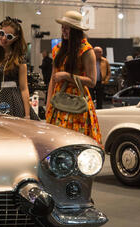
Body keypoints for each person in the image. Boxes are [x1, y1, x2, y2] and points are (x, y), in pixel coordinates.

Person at [45, 10, 101, 145]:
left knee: (76, 142)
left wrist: (67, 76)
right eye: (62, 27)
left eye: (67, 28)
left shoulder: (86, 50)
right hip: (57, 102)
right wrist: (48, 105)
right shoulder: (58, 49)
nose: (63, 30)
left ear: (75, 30)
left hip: (77, 104)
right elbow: (53, 79)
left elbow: (92, 82)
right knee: (57, 143)